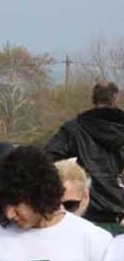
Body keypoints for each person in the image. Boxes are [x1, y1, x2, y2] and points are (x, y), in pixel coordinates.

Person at [46, 81, 124, 235]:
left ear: (93, 99)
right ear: (116, 100)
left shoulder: (76, 128)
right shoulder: (77, 128)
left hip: (87, 211)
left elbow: (45, 159)